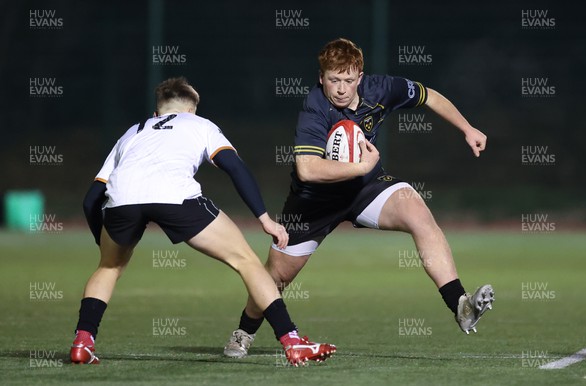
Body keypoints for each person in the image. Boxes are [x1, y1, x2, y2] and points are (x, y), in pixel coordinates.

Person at [223, 38, 495, 358]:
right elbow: (308, 169)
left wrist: (467, 128)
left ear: (361, 78)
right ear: (320, 78)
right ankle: (244, 332)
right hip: (314, 203)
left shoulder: (381, 89)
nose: (341, 88)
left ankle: (461, 305)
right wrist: (360, 165)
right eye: (333, 80)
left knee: (418, 213)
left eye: (348, 80)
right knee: (277, 277)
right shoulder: (315, 108)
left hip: (366, 189)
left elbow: (430, 96)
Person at [71, 77, 336, 366]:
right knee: (246, 261)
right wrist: (264, 219)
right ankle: (292, 342)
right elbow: (235, 167)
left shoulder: (133, 132)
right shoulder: (200, 125)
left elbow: (90, 200)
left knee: (108, 267)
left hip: (122, 200)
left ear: (157, 112)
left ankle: (83, 343)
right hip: (176, 197)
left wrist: (105, 241)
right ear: (192, 110)